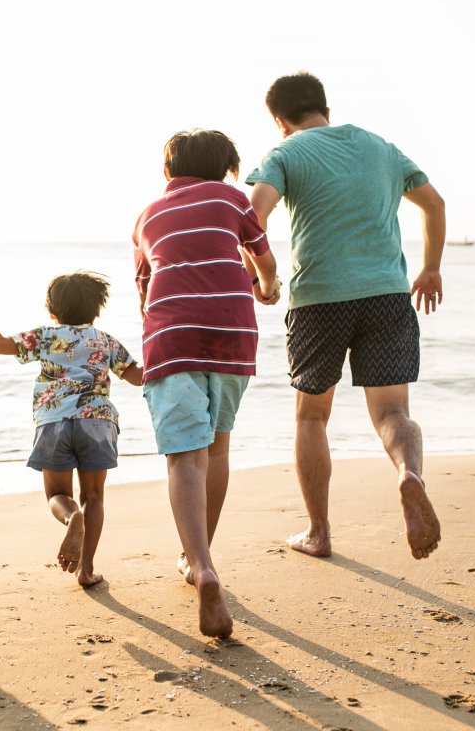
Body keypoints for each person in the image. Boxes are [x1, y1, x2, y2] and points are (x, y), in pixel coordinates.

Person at [244, 72, 446, 561]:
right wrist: (431, 268)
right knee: (393, 412)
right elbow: (433, 203)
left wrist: (262, 281)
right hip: (387, 295)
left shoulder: (286, 153)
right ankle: (408, 473)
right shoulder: (381, 148)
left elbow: (251, 217)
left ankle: (319, 531)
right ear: (325, 107)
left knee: (312, 415)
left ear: (279, 120)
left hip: (319, 299)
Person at [132, 130, 280, 638]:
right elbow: (262, 256)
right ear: (225, 168)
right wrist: (268, 288)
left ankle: (201, 564)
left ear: (169, 170)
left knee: (184, 456)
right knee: (216, 450)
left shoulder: (147, 216)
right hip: (232, 331)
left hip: (174, 337)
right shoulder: (232, 197)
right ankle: (199, 559)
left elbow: (144, 289)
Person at [0, 272, 143, 588]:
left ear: (51, 309)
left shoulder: (45, 337)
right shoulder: (106, 341)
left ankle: (72, 518)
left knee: (58, 494)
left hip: (54, 423)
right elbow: (138, 376)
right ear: (97, 309)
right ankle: (86, 570)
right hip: (97, 422)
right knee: (94, 496)